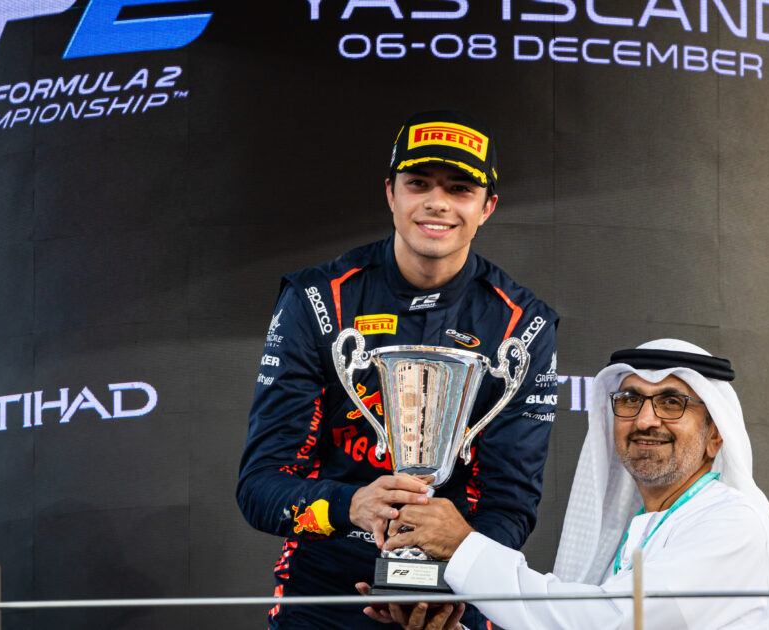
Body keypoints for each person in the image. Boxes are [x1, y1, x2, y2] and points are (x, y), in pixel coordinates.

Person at [236, 109, 560, 630]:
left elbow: (511, 505)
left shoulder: (524, 326)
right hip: (325, 595)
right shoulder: (317, 301)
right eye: (419, 183)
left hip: (453, 597)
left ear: (487, 207)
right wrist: (353, 505)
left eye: (459, 189)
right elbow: (259, 488)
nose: (437, 202)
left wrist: (451, 581)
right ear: (391, 193)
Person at [363, 339, 769, 629]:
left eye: (671, 402)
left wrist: (463, 547)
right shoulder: (637, 532)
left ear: (715, 435)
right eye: (630, 400)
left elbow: (610, 623)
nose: (646, 419)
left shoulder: (733, 523)